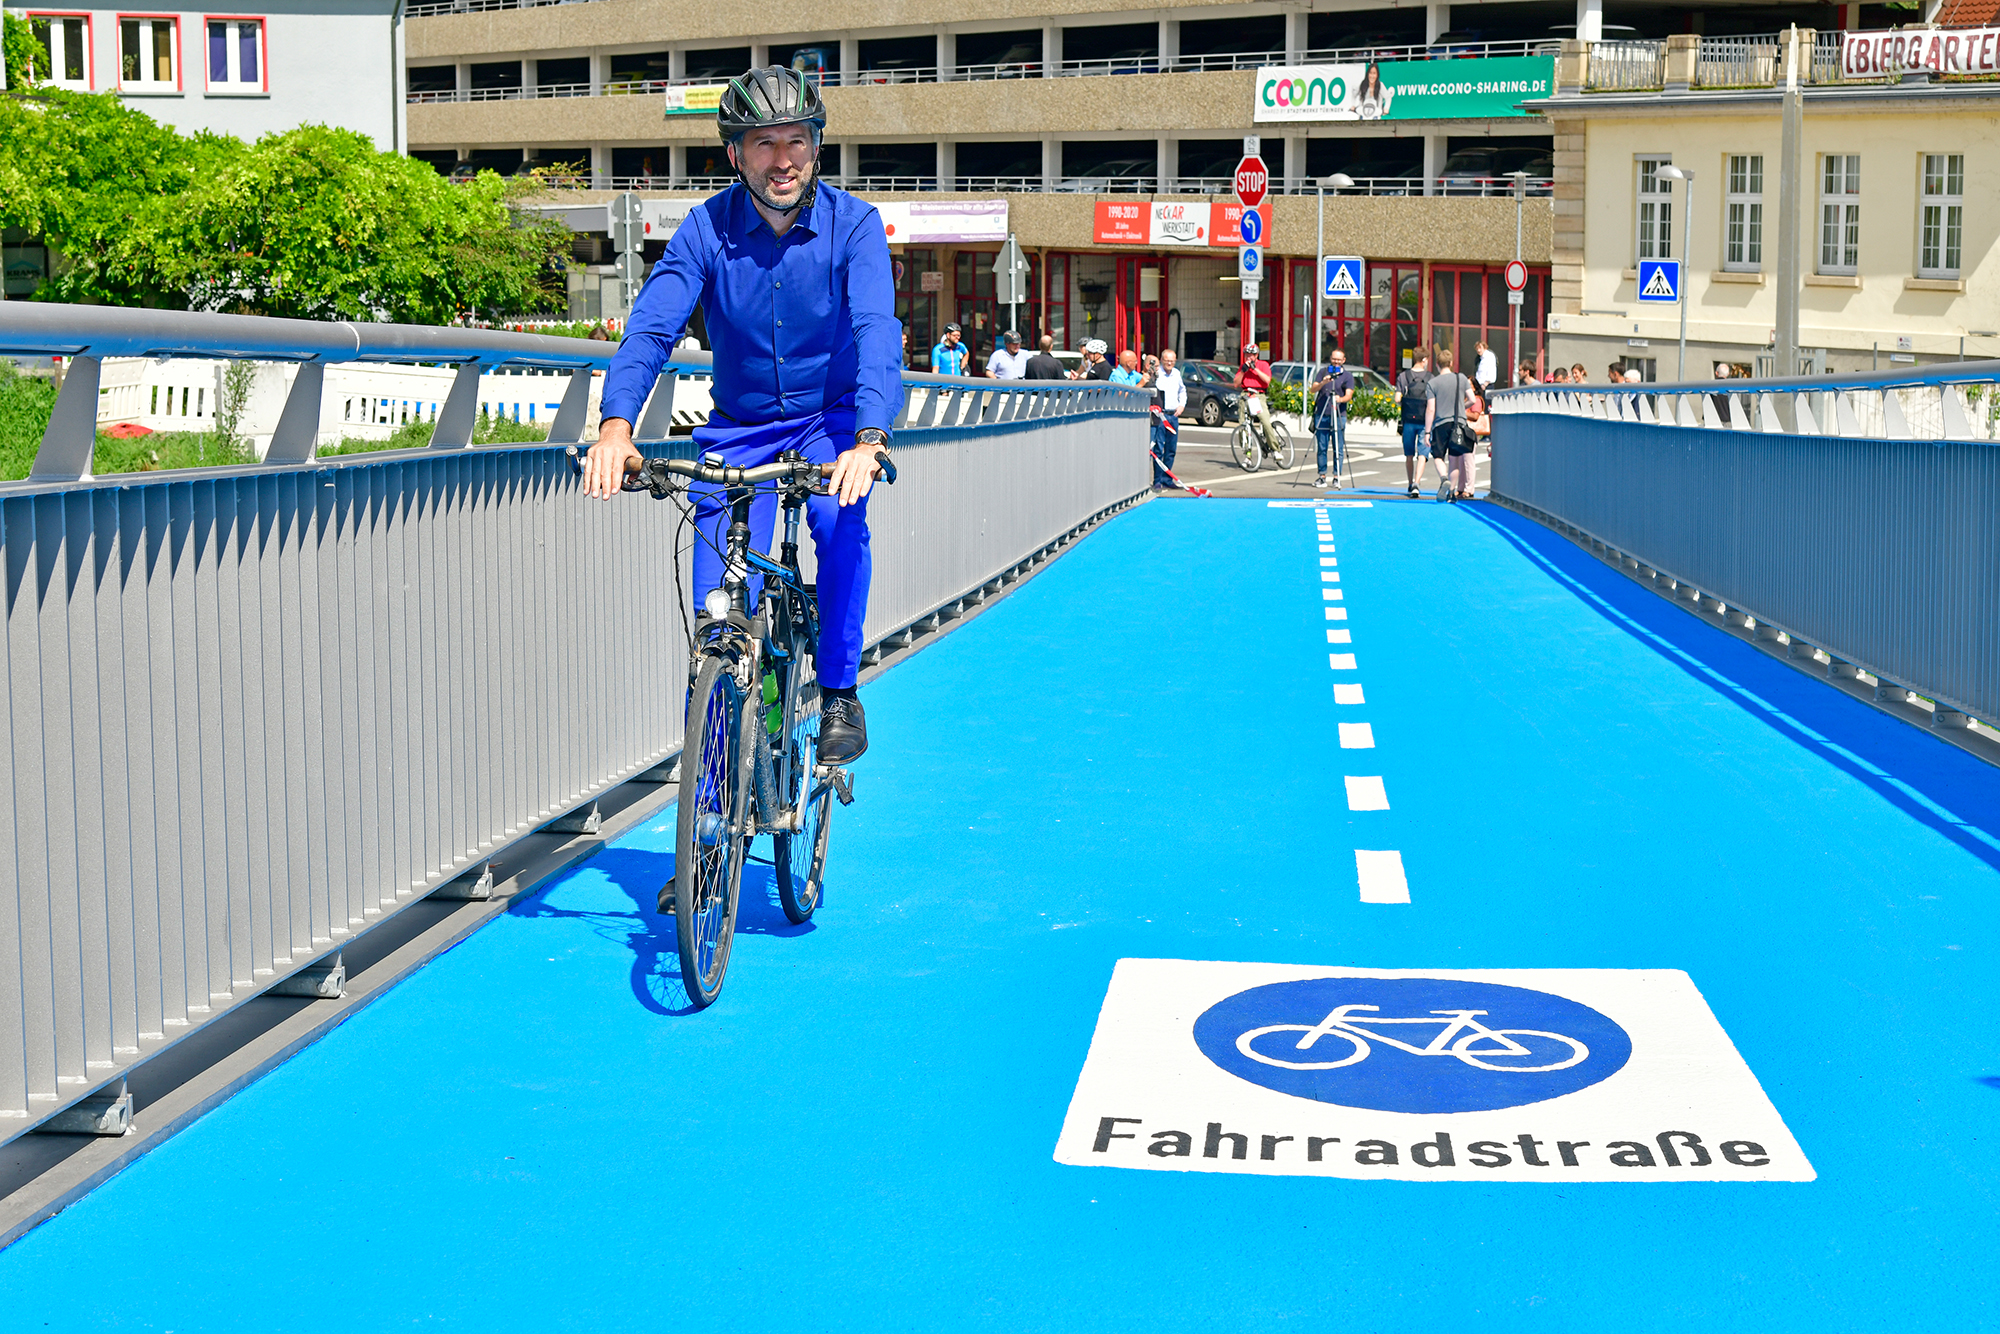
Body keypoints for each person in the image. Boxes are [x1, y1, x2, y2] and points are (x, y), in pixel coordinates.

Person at [585, 64, 896, 766]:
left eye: (796, 140)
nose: (783, 159)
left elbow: (877, 329)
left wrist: (869, 439)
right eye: (763, 143)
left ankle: (840, 689)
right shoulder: (704, 229)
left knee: (839, 522)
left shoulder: (855, 226)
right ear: (735, 154)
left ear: (817, 146)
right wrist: (616, 427)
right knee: (718, 614)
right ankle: (714, 802)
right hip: (738, 431)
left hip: (831, 423)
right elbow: (652, 329)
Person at [1424, 348, 1477, 501]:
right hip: (1459, 423)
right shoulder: (1461, 378)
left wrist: (1427, 431)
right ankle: (1452, 493)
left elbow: (1431, 409)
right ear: (1451, 363)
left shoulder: (1432, 383)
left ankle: (1443, 478)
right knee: (1454, 458)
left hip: (1441, 423)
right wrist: (1461, 407)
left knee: (1438, 456)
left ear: (1437, 364)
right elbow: (1472, 400)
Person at [1309, 347, 1355, 489]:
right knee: (1322, 447)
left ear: (1343, 360)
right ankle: (1322, 476)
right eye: (1334, 359)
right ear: (1330, 358)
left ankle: (1336, 477)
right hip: (1322, 413)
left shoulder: (1347, 376)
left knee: (1338, 448)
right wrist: (1323, 382)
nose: (1336, 362)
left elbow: (1349, 395)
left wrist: (1339, 399)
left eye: (1339, 360)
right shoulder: (1323, 372)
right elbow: (1313, 389)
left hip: (1338, 414)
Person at [1394, 352, 1432, 497]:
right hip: (1424, 421)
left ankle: (1410, 483)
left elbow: (1397, 398)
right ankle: (1417, 482)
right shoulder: (1430, 377)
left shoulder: (1403, 376)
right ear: (1424, 360)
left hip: (1408, 420)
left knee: (1409, 454)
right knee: (1422, 453)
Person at [1150, 349, 1186, 489]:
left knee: (1171, 449)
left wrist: (1181, 405)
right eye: (1167, 360)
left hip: (1173, 416)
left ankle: (1167, 479)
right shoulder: (1157, 373)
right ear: (1162, 360)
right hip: (1160, 415)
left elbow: (1182, 390)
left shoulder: (1176, 373)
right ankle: (1157, 480)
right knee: (1159, 449)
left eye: (1172, 361)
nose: (1169, 363)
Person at [1235, 344, 1277, 456]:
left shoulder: (1263, 365)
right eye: (1246, 355)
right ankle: (1247, 452)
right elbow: (1236, 383)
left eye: (1251, 355)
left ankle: (1275, 449)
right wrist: (1243, 372)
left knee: (1265, 421)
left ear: (1256, 355)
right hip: (1246, 394)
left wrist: (1255, 369)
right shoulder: (1243, 366)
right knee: (1243, 424)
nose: (1248, 357)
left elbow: (1267, 380)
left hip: (1258, 394)